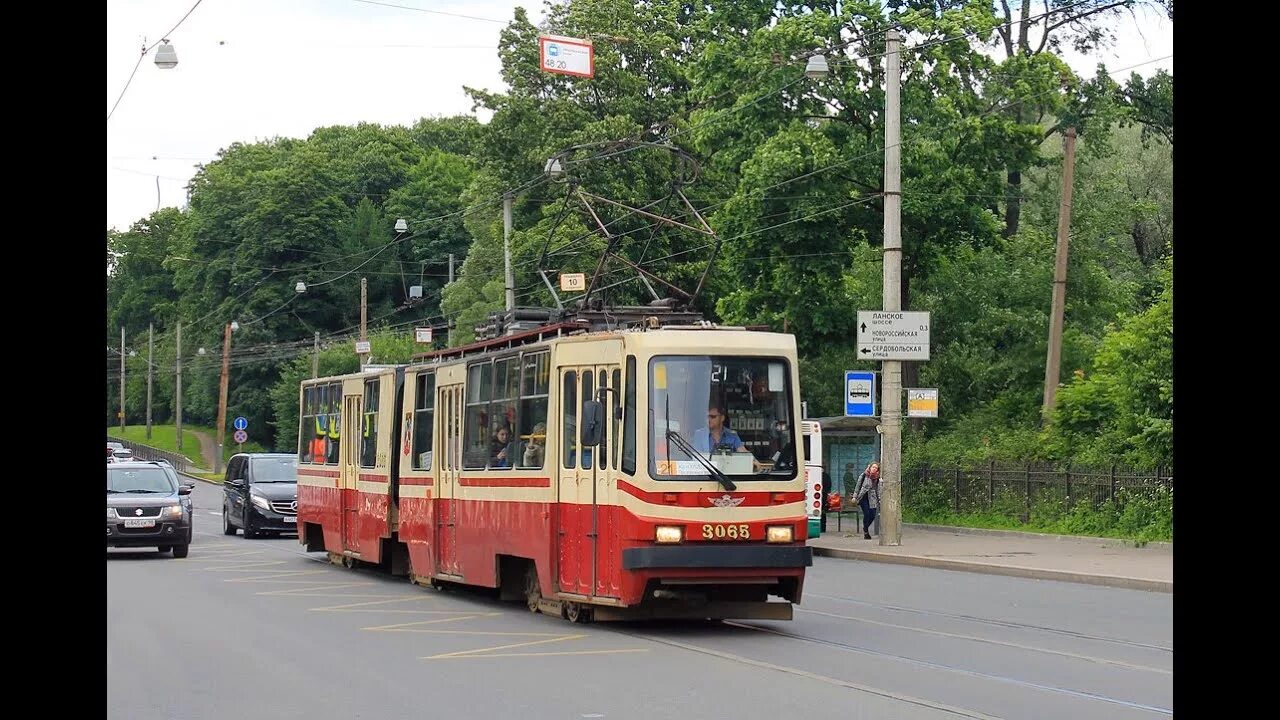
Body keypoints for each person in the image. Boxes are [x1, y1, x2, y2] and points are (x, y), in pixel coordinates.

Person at [852, 462, 881, 539]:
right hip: (863, 497)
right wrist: (855, 496)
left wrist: (880, 500)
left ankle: (865, 527)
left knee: (872, 514)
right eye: (873, 467)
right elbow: (858, 486)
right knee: (867, 513)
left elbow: (878, 490)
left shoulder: (878, 478)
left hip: (872, 498)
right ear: (870, 467)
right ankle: (866, 532)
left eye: (876, 468)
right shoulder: (864, 475)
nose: (874, 469)